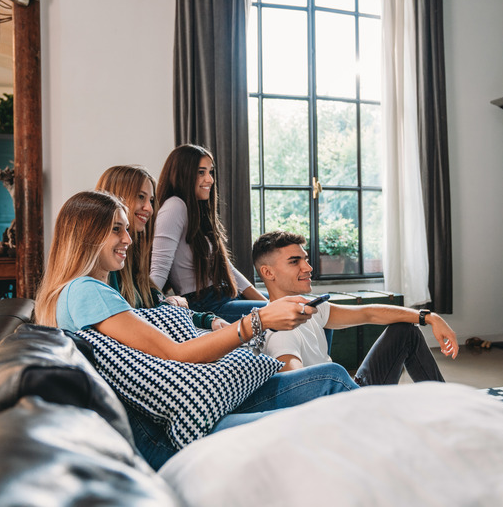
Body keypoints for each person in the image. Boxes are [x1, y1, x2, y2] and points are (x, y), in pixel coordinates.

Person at [34, 191, 358, 469]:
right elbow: (177, 355)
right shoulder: (86, 292)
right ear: (87, 235)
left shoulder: (72, 294)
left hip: (180, 411)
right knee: (329, 380)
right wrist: (258, 321)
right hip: (178, 427)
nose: (128, 239)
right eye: (116, 229)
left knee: (328, 379)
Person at [251, 230, 459, 386]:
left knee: (406, 331)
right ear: (268, 273)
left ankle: (444, 402)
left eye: (305, 259)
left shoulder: (309, 307)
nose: (308, 267)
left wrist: (429, 317)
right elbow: (296, 388)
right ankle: (445, 409)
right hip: (339, 405)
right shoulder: (280, 333)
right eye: (294, 262)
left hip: (348, 389)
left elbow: (369, 312)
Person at [95, 165, 225, 330]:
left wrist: (209, 320)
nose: (149, 208)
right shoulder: (107, 262)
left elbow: (153, 301)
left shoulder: (134, 256)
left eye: (150, 200)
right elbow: (132, 319)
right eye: (141, 197)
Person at [150, 144, 267, 323]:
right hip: (204, 305)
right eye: (201, 172)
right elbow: (159, 270)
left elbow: (228, 268)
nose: (210, 179)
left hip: (222, 294)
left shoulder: (196, 209)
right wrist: (142, 310)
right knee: (296, 309)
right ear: (183, 174)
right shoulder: (174, 207)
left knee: (303, 304)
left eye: (210, 172)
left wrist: (267, 302)